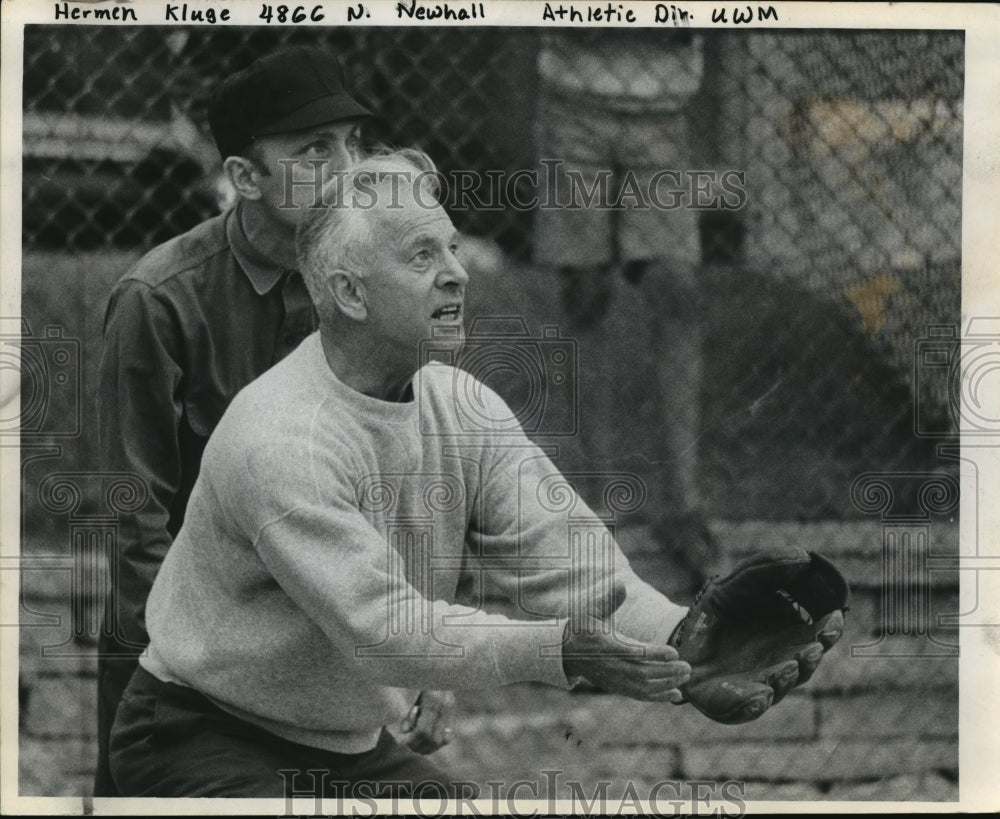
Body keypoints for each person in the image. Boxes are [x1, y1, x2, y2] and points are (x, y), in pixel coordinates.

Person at [107, 148, 697, 799]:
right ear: (349, 293)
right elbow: (386, 631)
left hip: (348, 748)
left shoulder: (464, 407)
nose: (457, 275)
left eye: (452, 247)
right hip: (197, 737)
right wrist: (558, 648)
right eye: (422, 257)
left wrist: (695, 645)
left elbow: (578, 563)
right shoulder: (278, 437)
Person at [93, 46, 375, 797]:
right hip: (177, 658)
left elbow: (401, 487)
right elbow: (135, 521)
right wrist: (194, 682)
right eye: (316, 148)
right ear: (245, 179)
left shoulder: (372, 291)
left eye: (353, 143)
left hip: (316, 636)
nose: (347, 169)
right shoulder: (158, 300)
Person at [534, 30, 717, 591]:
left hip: (662, 115)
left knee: (677, 286)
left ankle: (682, 509)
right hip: (573, 106)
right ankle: (598, 508)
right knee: (586, 295)